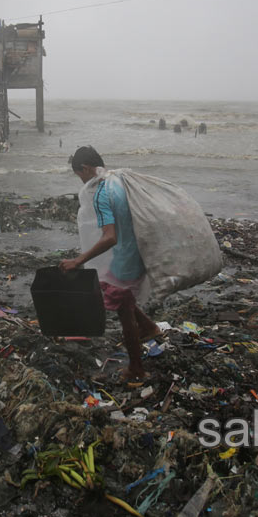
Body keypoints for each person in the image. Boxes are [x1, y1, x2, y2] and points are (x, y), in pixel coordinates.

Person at [59, 146, 162, 379]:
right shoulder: (118, 180)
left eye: (79, 175)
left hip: (123, 262)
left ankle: (136, 368)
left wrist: (78, 260)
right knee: (121, 297)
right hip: (136, 252)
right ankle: (149, 327)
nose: (81, 181)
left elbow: (109, 237)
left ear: (85, 168)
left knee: (123, 310)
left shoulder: (102, 193)